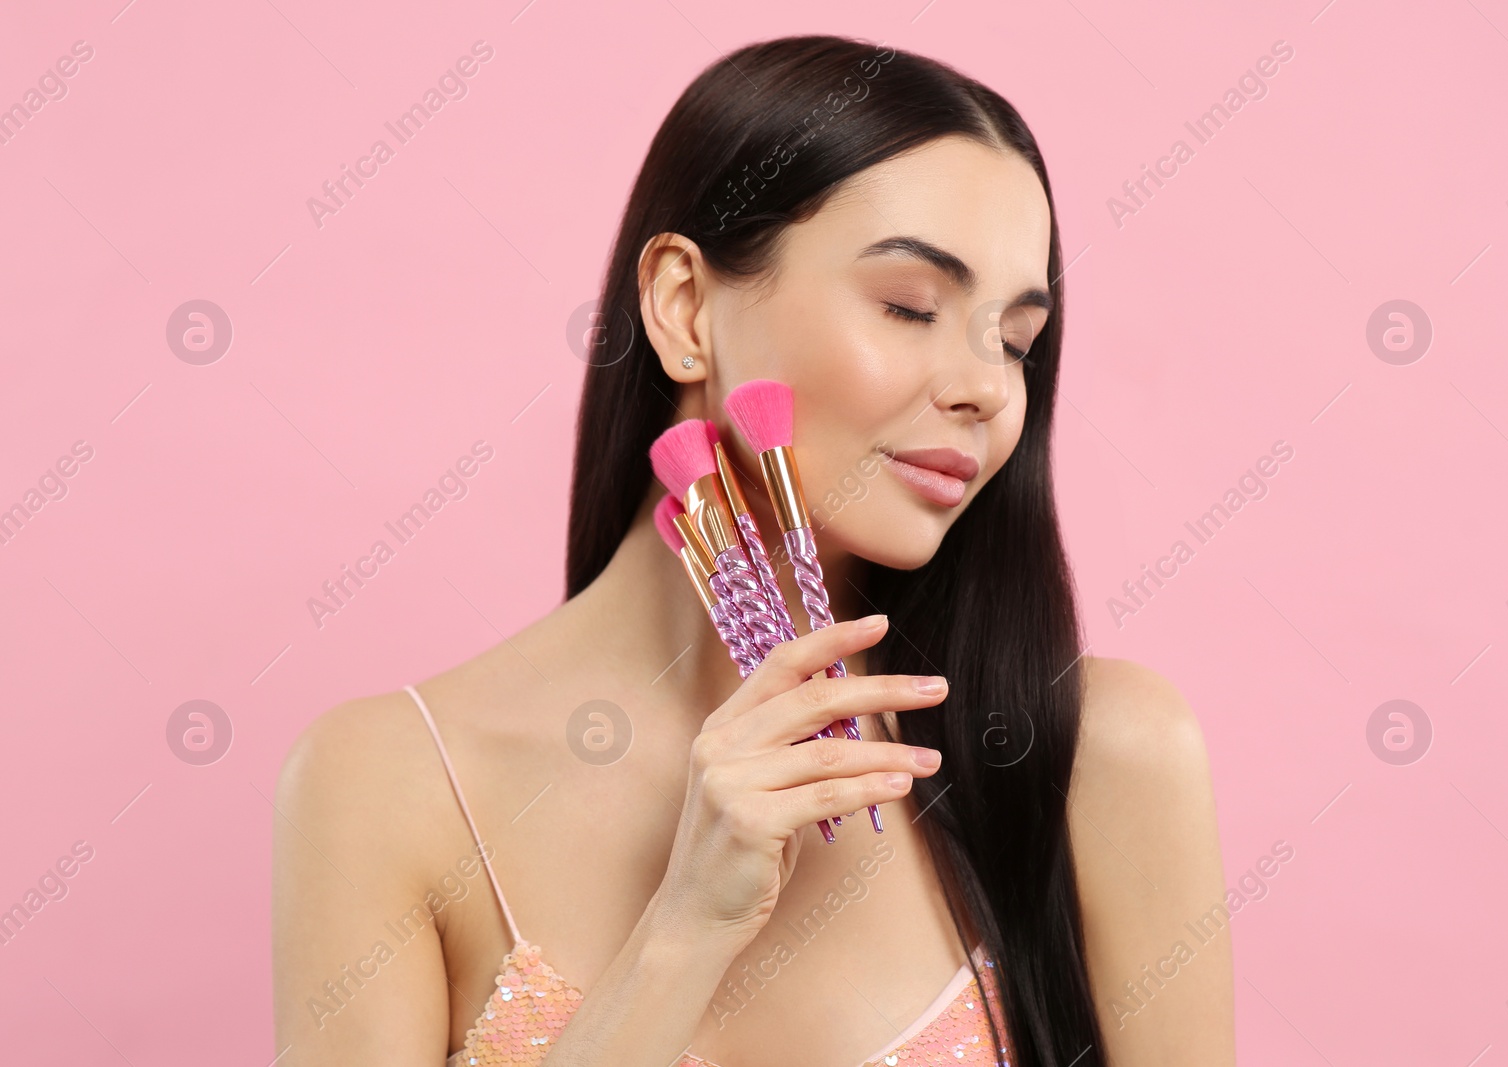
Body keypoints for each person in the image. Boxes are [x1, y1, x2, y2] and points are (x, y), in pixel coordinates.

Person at [273, 33, 1234, 1067]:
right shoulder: (390, 784)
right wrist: (684, 927)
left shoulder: (1102, 757)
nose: (988, 388)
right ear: (685, 307)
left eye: (1016, 339)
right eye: (911, 306)